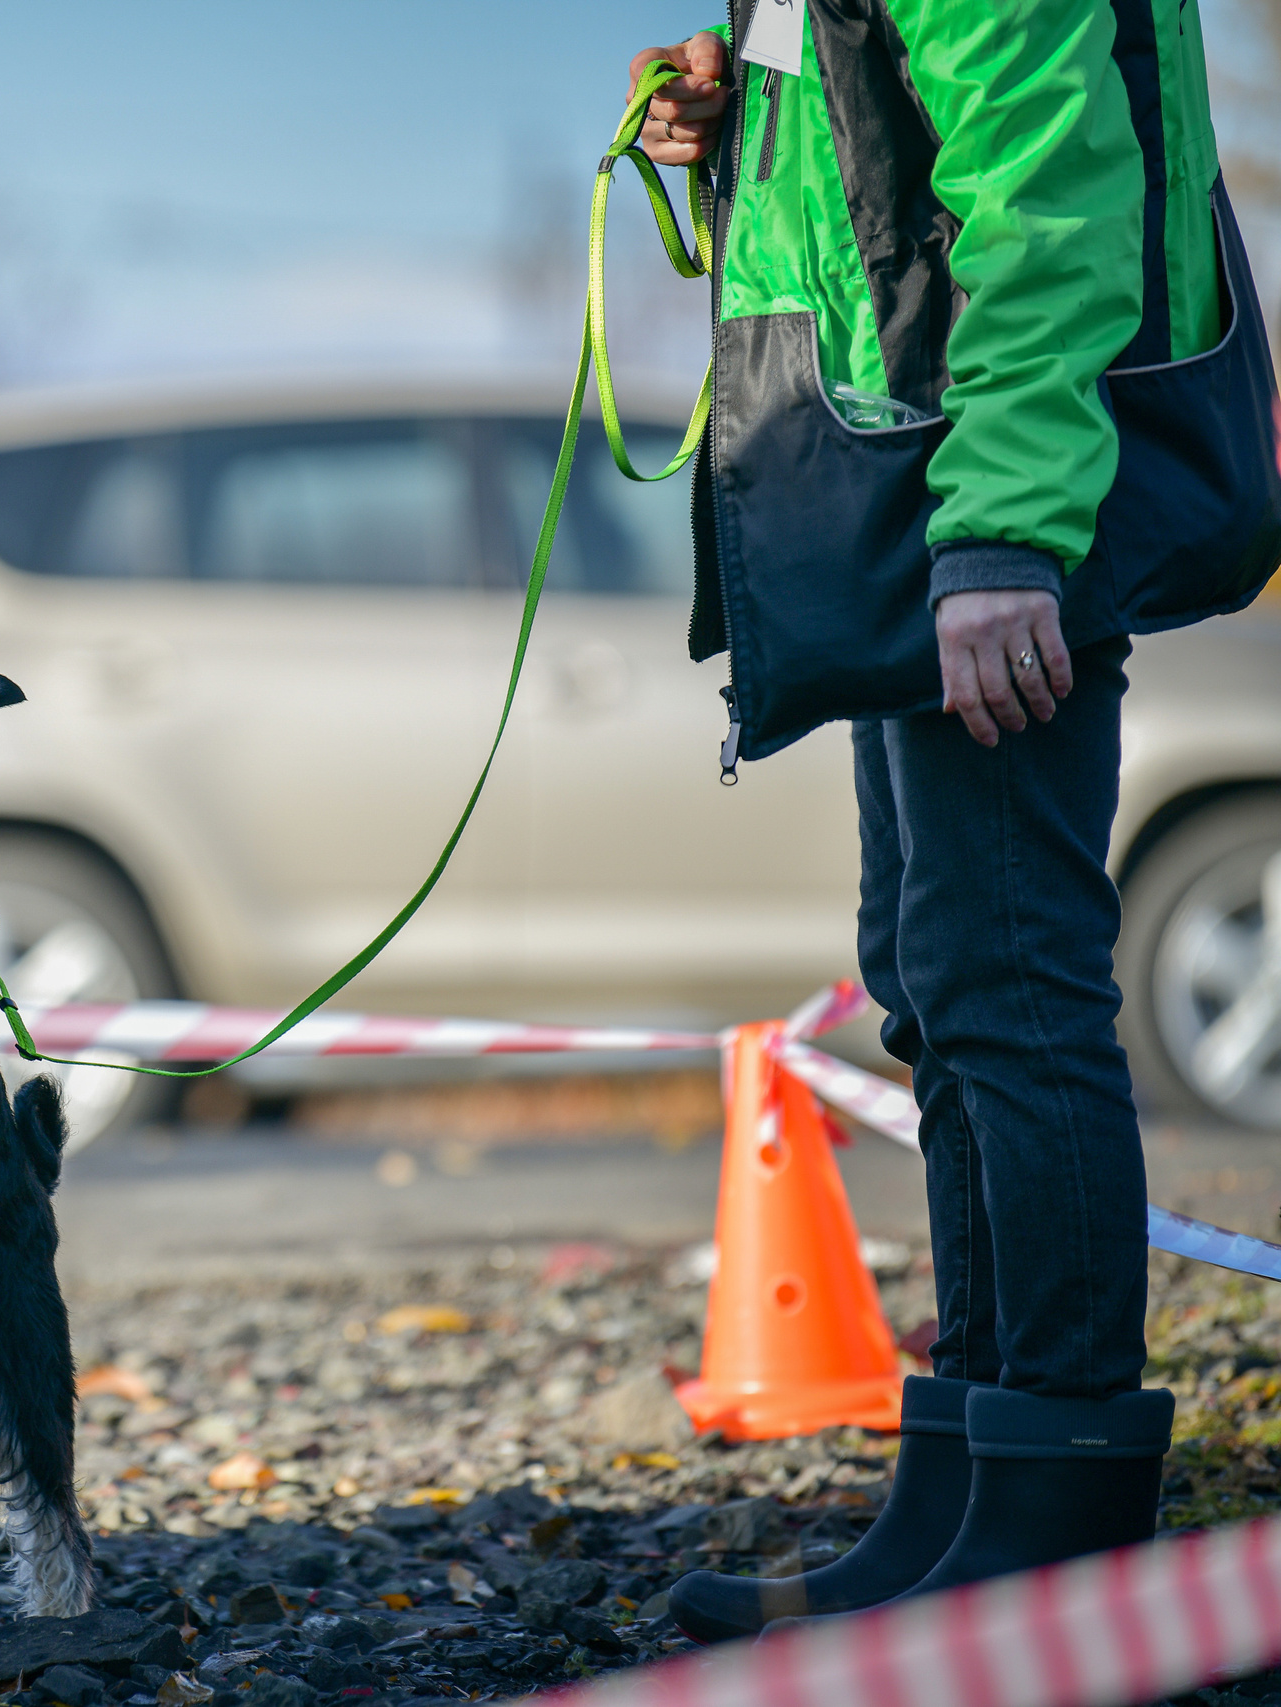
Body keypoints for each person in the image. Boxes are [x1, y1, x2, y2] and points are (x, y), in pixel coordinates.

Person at [625, 1, 1262, 1641]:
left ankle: (1055, 1530)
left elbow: (1046, 186)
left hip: (973, 489)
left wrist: (1002, 540)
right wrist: (735, 110)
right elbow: (891, 160)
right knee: (940, 979)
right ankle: (976, 1481)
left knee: (1008, 982)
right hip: (923, 463)